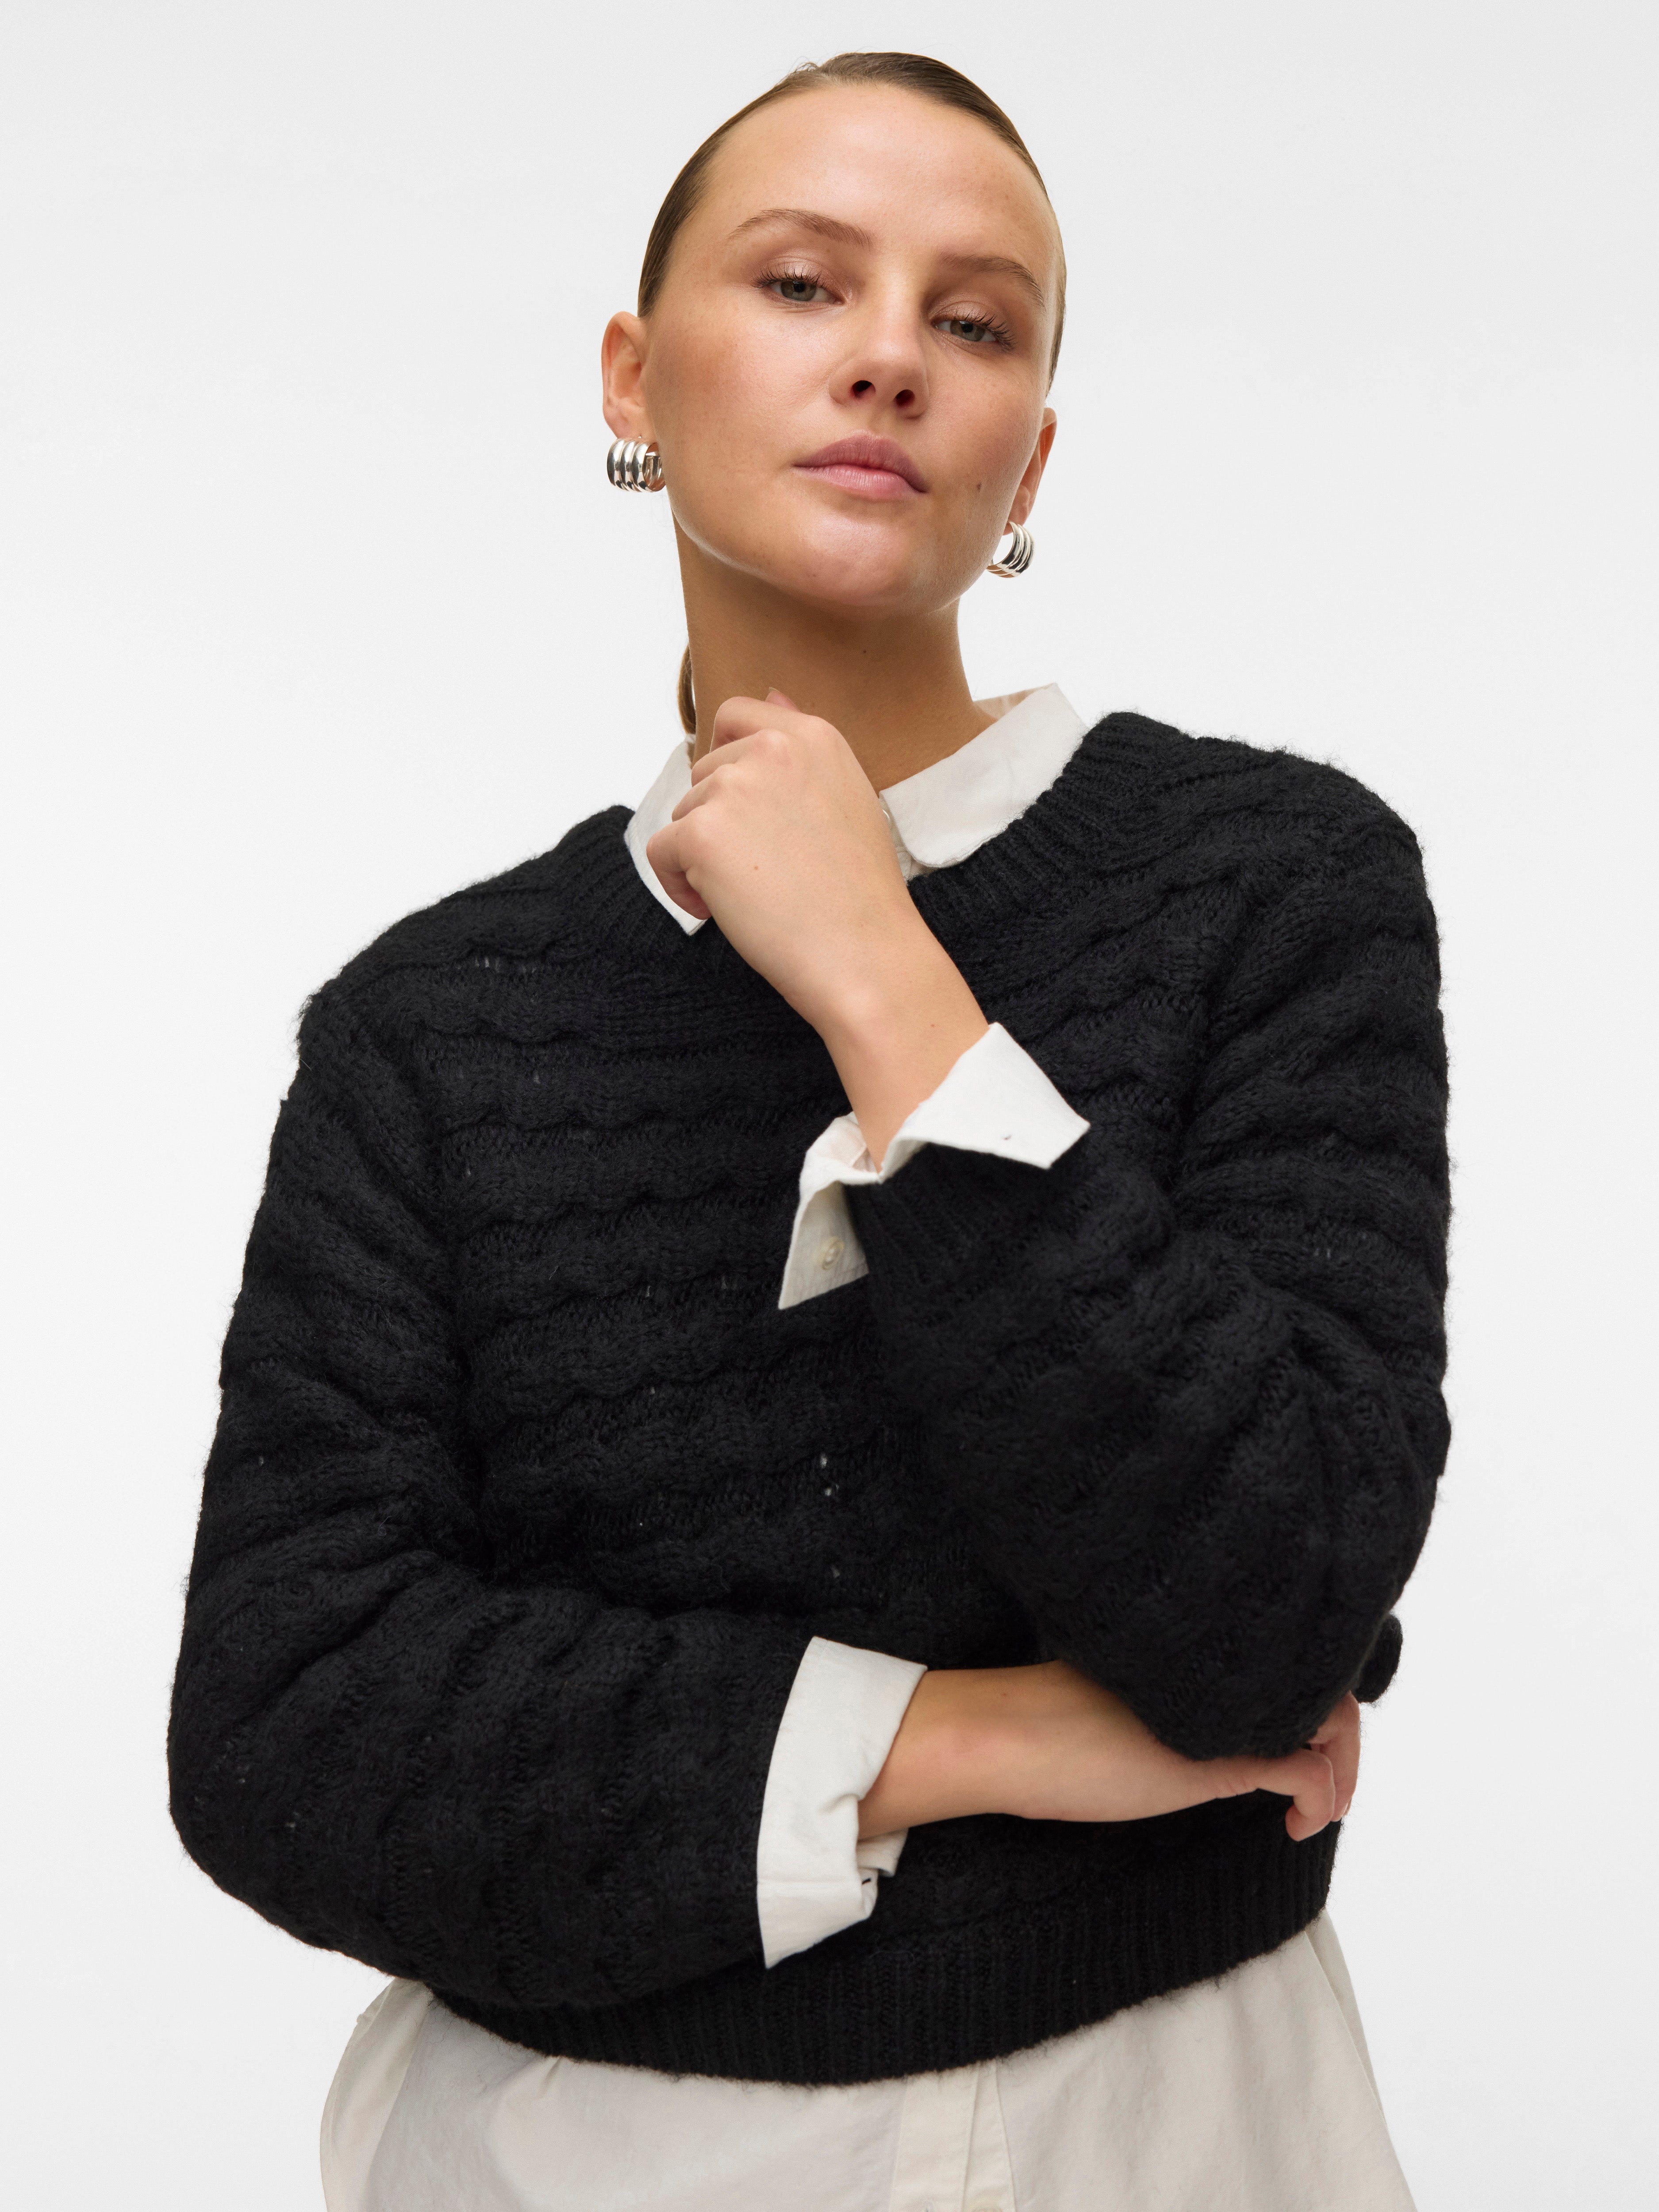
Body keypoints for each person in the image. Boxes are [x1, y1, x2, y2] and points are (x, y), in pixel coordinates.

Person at [168, 51, 1449, 2212]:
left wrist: (886, 984)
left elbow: (1271, 1603)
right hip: (566, 2154)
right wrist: (978, 1738)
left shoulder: (1270, 883)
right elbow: (288, 1730)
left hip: (1163, 2127)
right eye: (798, 282)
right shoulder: (426, 1029)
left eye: (975, 320)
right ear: (631, 377)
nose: (886, 357)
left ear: (1027, 454)